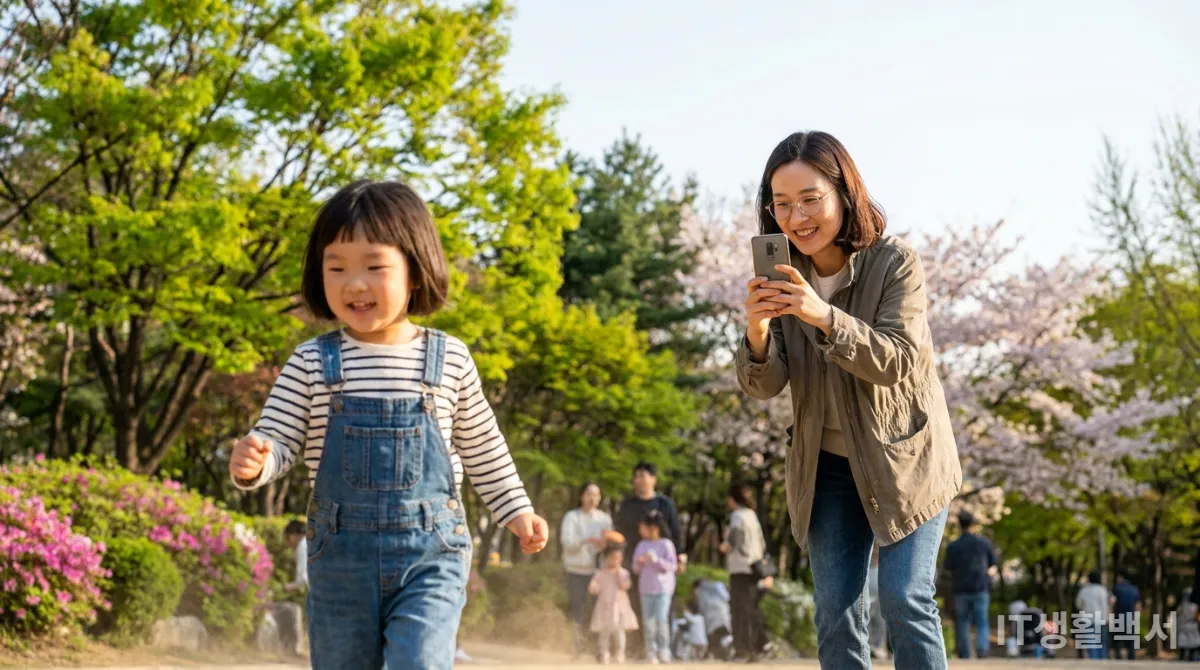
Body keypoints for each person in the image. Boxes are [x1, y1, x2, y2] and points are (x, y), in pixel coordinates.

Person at [228, 180, 549, 670]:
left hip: (432, 554)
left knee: (418, 662)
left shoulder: (451, 360)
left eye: (374, 267)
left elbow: (483, 446)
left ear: (415, 272)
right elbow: (278, 438)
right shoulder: (312, 360)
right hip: (340, 561)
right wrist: (256, 461)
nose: (354, 284)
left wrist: (516, 511)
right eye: (336, 268)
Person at [736, 130, 962, 669]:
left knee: (904, 598)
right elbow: (764, 385)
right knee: (836, 611)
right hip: (826, 468)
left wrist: (821, 314)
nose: (797, 217)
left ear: (845, 193)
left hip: (904, 461)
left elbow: (898, 360)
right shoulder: (785, 271)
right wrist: (758, 331)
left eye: (811, 199)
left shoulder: (895, 264)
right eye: (782, 204)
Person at [613, 461, 684, 655]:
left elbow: (676, 531)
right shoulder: (627, 505)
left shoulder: (664, 504)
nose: (640, 480)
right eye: (637, 476)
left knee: (663, 611)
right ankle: (641, 649)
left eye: (644, 476)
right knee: (637, 605)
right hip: (634, 561)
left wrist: (681, 556)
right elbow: (619, 532)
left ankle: (665, 649)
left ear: (653, 479)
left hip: (662, 567)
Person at [561, 481, 614, 659]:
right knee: (577, 610)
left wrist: (604, 544)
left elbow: (610, 547)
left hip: (597, 573)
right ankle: (577, 649)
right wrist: (587, 539)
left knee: (598, 611)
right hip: (575, 571)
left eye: (596, 495)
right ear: (581, 496)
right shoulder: (571, 517)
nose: (593, 498)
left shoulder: (605, 519)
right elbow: (567, 543)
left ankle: (599, 649)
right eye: (589, 494)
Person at [719, 482, 770, 661]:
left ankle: (743, 649)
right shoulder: (752, 515)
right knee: (751, 608)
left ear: (732, 499)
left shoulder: (737, 516)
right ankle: (759, 645)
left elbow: (733, 539)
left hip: (740, 568)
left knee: (739, 610)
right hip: (754, 567)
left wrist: (725, 546)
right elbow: (762, 543)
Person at [943, 510, 997, 659]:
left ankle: (965, 653)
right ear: (973, 524)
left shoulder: (953, 546)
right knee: (981, 621)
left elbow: (947, 566)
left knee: (963, 622)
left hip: (961, 589)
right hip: (980, 587)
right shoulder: (984, 543)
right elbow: (992, 563)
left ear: (959, 525)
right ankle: (982, 650)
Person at [632, 510, 677, 664]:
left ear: (653, 528)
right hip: (646, 588)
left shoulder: (666, 544)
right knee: (648, 621)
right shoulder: (642, 545)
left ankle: (664, 649)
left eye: (643, 527)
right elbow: (635, 568)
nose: (640, 531)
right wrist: (641, 561)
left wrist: (656, 560)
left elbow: (672, 566)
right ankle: (651, 650)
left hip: (663, 588)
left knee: (661, 618)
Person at [589, 544, 639, 665]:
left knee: (619, 632)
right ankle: (604, 653)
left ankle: (620, 653)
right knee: (604, 632)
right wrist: (594, 586)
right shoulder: (600, 573)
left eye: (617, 558)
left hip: (619, 607)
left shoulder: (623, 573)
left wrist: (618, 574)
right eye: (612, 558)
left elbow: (625, 585)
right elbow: (593, 588)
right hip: (604, 607)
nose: (614, 561)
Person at [691, 577, 734, 660]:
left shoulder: (699, 591)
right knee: (723, 634)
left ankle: (716, 653)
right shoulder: (717, 585)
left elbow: (702, 608)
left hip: (712, 620)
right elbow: (727, 597)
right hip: (723, 614)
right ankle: (724, 652)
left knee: (714, 637)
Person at [1074, 571, 1111, 660]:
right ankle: (1102, 659)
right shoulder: (1102, 590)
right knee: (1102, 641)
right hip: (1101, 619)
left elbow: (1078, 604)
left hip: (1088, 618)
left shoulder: (1084, 590)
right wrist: (1108, 619)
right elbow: (1105, 606)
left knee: (1091, 641)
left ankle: (1093, 660)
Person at [1110, 570, 1141, 659]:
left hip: (1119, 616)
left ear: (1122, 578)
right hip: (1131, 617)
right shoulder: (1135, 589)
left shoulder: (1117, 588)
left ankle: (1118, 657)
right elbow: (1138, 605)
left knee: (1118, 639)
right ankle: (1131, 657)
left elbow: (1112, 602)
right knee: (1130, 640)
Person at [866, 544, 888, 660]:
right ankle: (868, 647)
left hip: (879, 600)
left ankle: (879, 648)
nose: (875, 553)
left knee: (880, 624)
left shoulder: (883, 568)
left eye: (877, 551)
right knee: (866, 624)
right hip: (866, 600)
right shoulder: (865, 568)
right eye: (873, 550)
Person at [1177, 587, 1200, 661]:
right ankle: (1193, 660)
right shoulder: (1195, 606)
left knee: (1183, 645)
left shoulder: (1181, 606)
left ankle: (1182, 659)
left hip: (1183, 626)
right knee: (1194, 646)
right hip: (1193, 625)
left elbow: (1178, 615)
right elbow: (1197, 617)